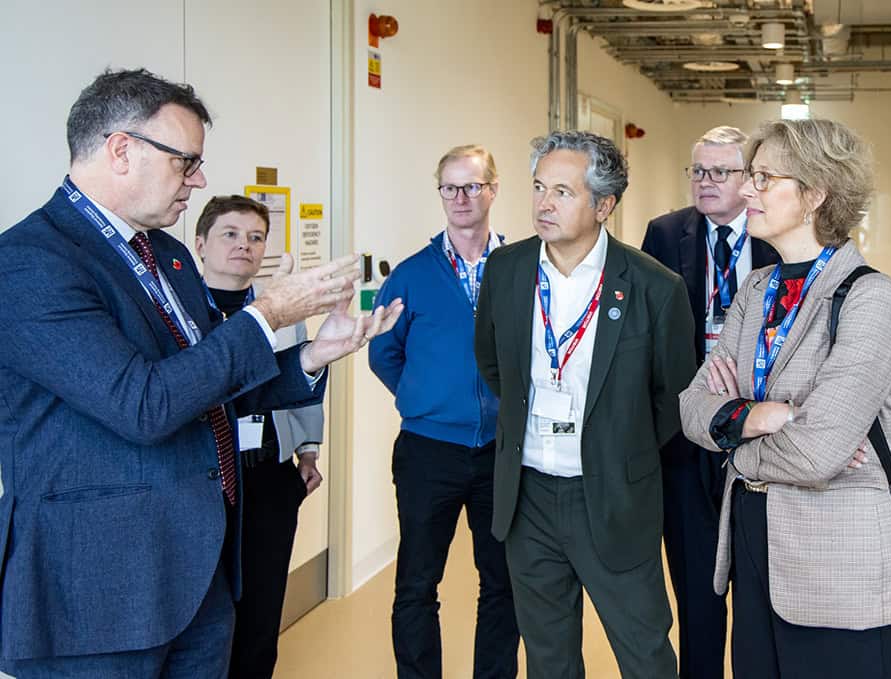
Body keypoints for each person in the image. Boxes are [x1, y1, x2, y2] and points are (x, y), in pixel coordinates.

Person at [0, 68, 402, 678]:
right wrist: (268, 314)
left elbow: (208, 381)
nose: (200, 180)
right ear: (121, 150)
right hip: (98, 590)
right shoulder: (31, 261)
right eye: (186, 162)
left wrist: (312, 355)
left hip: (201, 571)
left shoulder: (168, 255)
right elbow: (143, 405)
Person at [680, 118, 891, 679]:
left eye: (763, 178)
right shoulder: (757, 289)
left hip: (837, 557)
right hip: (751, 541)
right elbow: (692, 407)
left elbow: (817, 452)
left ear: (815, 194)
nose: (745, 191)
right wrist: (763, 416)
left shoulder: (871, 298)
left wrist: (734, 441)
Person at [474, 130, 694, 678]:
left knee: (645, 653)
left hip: (614, 496)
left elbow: (673, 399)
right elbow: (494, 365)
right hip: (527, 496)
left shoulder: (654, 287)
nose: (544, 204)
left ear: (604, 205)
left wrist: (616, 444)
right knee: (548, 657)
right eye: (538, 187)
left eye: (563, 192)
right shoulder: (506, 270)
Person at [369, 144, 518, 678]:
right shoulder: (411, 274)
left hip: (502, 452)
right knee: (416, 583)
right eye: (449, 187)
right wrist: (426, 399)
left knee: (502, 583)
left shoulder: (522, 269)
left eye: (472, 186)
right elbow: (384, 353)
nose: (460, 198)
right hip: (428, 452)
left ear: (493, 190)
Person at [640, 125, 778, 678]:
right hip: (686, 436)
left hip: (759, 431)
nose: (706, 182)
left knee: (758, 584)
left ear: (749, 180)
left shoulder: (778, 234)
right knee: (697, 590)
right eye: (698, 171)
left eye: (721, 172)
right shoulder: (665, 233)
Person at [193, 195, 326, 679]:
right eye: (230, 234)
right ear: (201, 243)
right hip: (203, 481)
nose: (243, 246)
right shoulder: (182, 314)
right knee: (207, 612)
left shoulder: (281, 308)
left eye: (255, 238)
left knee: (263, 608)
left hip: (268, 473)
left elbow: (305, 384)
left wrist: (308, 451)